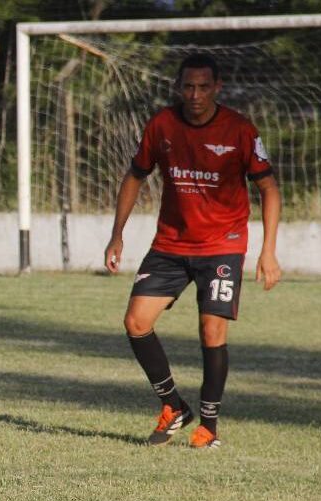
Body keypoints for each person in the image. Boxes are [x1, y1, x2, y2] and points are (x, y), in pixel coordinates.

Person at [104, 54, 281, 449]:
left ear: (217, 87)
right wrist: (117, 234)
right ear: (178, 87)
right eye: (188, 86)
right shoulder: (162, 125)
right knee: (136, 321)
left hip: (222, 245)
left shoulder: (240, 130)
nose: (195, 95)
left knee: (211, 329)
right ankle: (174, 407)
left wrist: (267, 252)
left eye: (203, 87)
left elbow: (268, 188)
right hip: (170, 243)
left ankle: (209, 425)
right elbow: (135, 175)